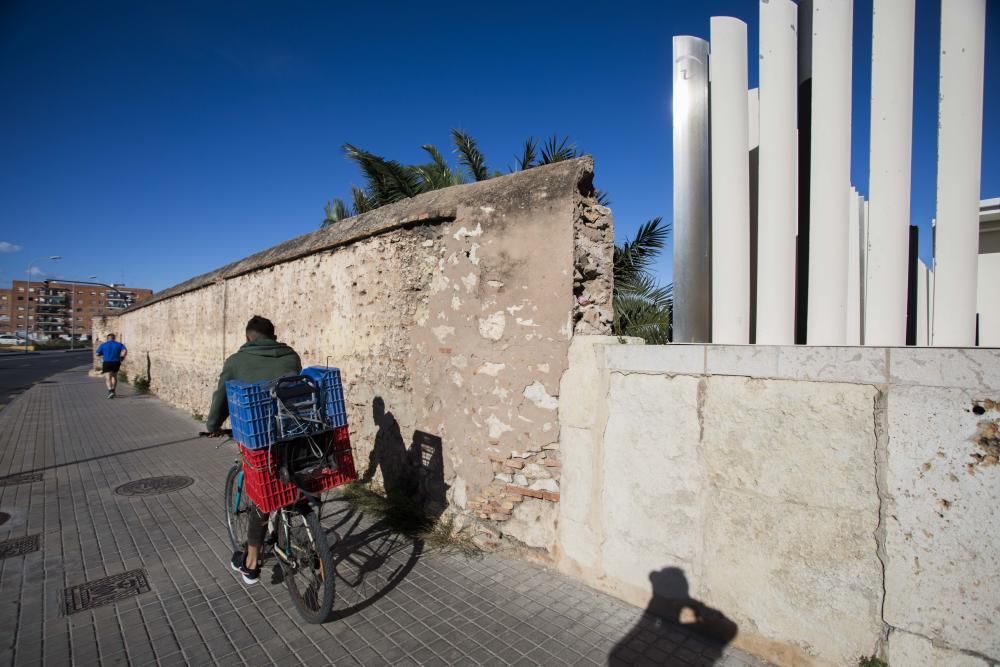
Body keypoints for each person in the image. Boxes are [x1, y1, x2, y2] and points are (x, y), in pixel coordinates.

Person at [206, 315, 301, 585]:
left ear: (248, 337)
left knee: (262, 497)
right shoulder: (291, 356)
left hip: (257, 438)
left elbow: (221, 397)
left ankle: (251, 564)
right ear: (273, 335)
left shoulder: (235, 361)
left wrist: (213, 424)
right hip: (292, 433)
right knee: (289, 484)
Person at [95, 333, 127, 399]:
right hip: (116, 362)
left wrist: (101, 354)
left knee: (108, 377)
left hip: (107, 362)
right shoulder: (119, 344)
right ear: (114, 338)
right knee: (114, 377)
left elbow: (97, 353)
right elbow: (124, 350)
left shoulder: (103, 345)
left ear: (107, 338)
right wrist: (122, 357)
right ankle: (113, 390)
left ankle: (110, 391)